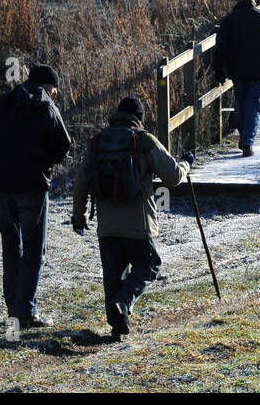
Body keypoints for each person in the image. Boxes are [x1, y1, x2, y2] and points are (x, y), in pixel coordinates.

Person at [71, 96, 190, 341]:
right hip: (139, 225)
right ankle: (123, 304)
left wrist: (79, 215)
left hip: (107, 227)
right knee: (149, 266)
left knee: (112, 275)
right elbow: (173, 177)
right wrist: (187, 163)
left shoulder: (98, 141)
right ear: (139, 118)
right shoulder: (143, 140)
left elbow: (81, 181)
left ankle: (117, 325)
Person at [0, 64, 72, 332]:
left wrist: (1, 154)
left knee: (11, 248)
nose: (55, 94)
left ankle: (13, 311)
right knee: (34, 252)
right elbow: (63, 145)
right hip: (32, 186)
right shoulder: (46, 106)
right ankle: (26, 313)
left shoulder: (1, 102)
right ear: (47, 86)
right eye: (54, 90)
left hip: (2, 187)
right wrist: (43, 162)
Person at [212, 0, 260, 157]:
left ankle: (245, 136)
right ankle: (247, 141)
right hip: (259, 70)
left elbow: (219, 48)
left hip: (237, 71)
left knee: (242, 104)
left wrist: (219, 72)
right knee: (254, 106)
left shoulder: (229, 20)